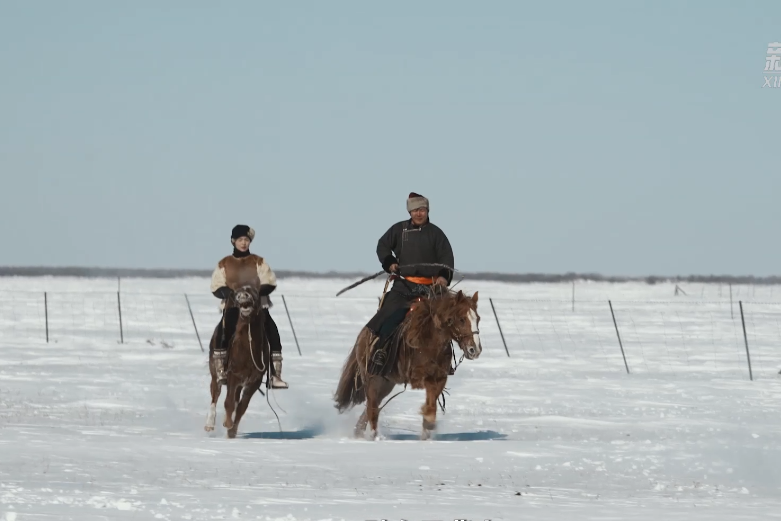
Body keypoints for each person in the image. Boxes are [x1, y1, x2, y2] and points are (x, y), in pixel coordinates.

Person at [365, 192, 455, 376]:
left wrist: (443, 278)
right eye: (414, 210)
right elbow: (382, 245)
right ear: (409, 212)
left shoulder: (436, 234)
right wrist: (390, 262)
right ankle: (381, 351)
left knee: (447, 318)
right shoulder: (399, 230)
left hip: (431, 288)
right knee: (391, 315)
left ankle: (446, 358)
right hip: (404, 285)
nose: (418, 214)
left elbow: (447, 259)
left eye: (421, 209)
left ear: (427, 210)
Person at [209, 224, 289, 389]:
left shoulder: (259, 262)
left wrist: (257, 293)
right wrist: (229, 294)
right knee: (223, 333)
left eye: (246, 239)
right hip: (233, 307)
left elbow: (269, 281)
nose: (244, 243)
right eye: (240, 240)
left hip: (258, 308)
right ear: (233, 241)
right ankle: (221, 370)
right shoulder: (224, 263)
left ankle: (275, 375)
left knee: (272, 332)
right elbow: (216, 286)